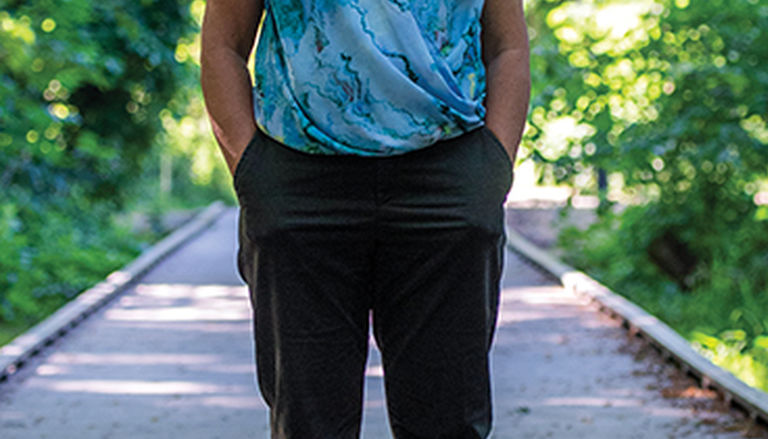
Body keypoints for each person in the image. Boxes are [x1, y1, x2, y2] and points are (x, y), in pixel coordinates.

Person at [200, 1, 530, 437]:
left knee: (447, 423)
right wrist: (254, 173)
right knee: (309, 426)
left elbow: (507, 45)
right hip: (300, 183)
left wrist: (491, 169)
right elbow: (223, 43)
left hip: (447, 180)